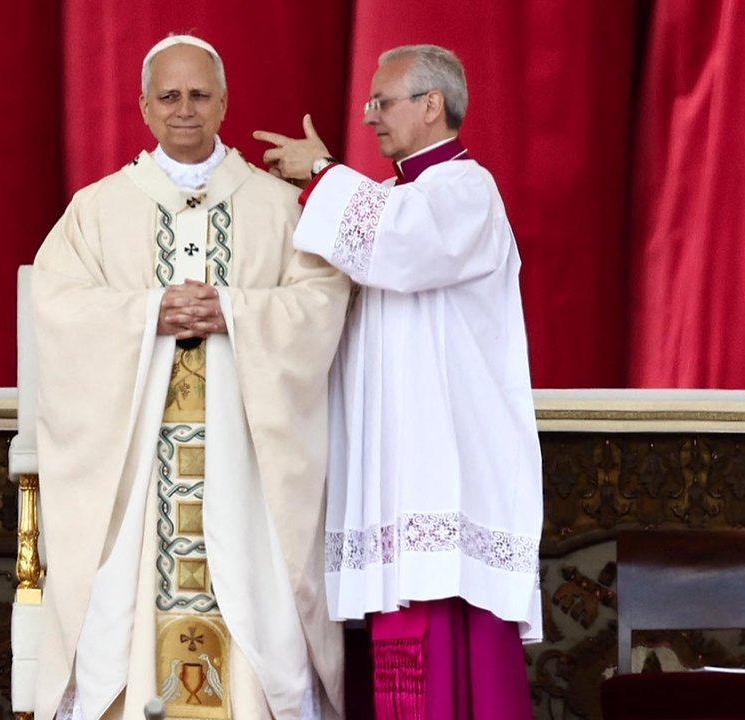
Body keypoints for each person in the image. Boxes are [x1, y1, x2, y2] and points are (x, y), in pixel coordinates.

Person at [30, 34, 349, 720]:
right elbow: (56, 306)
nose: (184, 110)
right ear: (143, 107)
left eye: (199, 95)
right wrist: (150, 312)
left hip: (248, 463)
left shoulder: (277, 205)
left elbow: (323, 299)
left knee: (259, 610)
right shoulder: (99, 208)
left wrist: (235, 312)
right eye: (168, 97)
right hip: (139, 470)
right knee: (126, 608)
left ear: (224, 102)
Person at [255, 44, 542, 718]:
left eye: (382, 103)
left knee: (452, 656)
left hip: (446, 471)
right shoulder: (386, 196)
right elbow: (362, 241)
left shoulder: (468, 191)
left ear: (432, 105)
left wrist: (322, 173)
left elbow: (402, 249)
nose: (369, 116)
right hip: (389, 471)